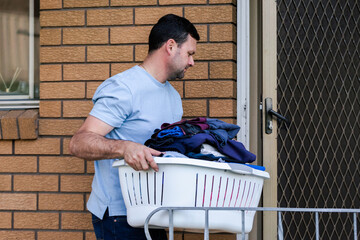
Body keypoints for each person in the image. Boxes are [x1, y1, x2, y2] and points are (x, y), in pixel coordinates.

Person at [69, 14, 200, 240]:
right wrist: (125, 148)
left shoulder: (173, 97)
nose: (191, 62)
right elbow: (79, 142)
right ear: (170, 46)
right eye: (189, 53)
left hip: (157, 212)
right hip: (120, 217)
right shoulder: (124, 88)